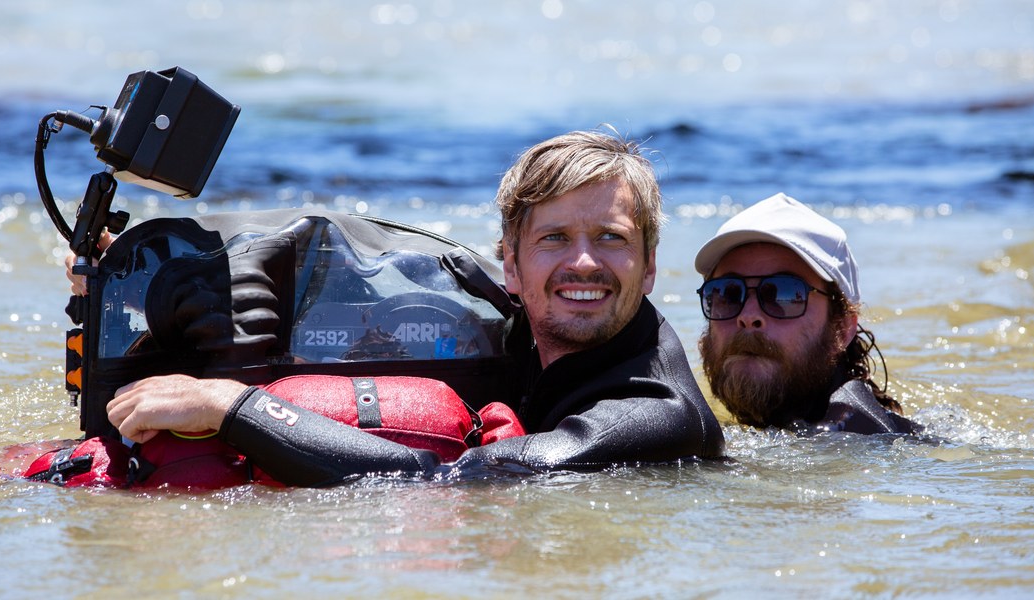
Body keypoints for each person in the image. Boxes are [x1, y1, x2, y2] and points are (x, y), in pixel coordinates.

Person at [96, 129, 726, 486]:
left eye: (611, 239)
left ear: (649, 268)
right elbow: (350, 296)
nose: (583, 264)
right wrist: (132, 286)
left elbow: (439, 480)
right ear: (511, 264)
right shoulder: (525, 323)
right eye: (554, 238)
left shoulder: (652, 416)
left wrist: (230, 406)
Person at [693, 192, 919, 434]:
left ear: (841, 330)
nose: (748, 316)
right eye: (728, 293)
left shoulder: (863, 441)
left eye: (783, 294)